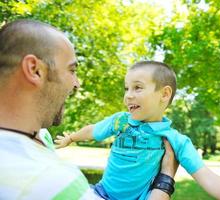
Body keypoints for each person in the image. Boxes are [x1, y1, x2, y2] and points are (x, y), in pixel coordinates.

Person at [0, 19, 178, 200]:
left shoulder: (40, 136)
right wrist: (166, 179)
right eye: (71, 70)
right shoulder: (51, 182)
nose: (76, 83)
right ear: (35, 70)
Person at [56, 61, 220, 200]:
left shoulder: (174, 140)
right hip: (101, 193)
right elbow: (93, 131)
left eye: (137, 88)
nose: (128, 96)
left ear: (164, 94)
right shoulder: (120, 122)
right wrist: (71, 138)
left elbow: (208, 178)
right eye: (126, 89)